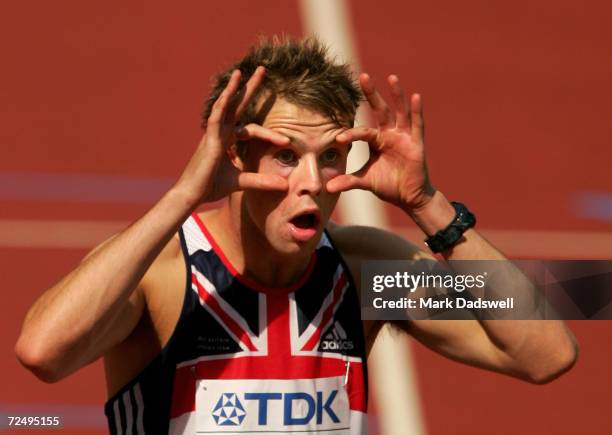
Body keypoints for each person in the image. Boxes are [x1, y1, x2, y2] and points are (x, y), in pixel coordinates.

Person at [15, 36, 578, 434]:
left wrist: (430, 207)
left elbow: (545, 353)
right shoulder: (166, 273)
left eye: (330, 156)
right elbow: (43, 353)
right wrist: (183, 197)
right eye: (286, 156)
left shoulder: (362, 273)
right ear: (235, 155)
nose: (312, 183)